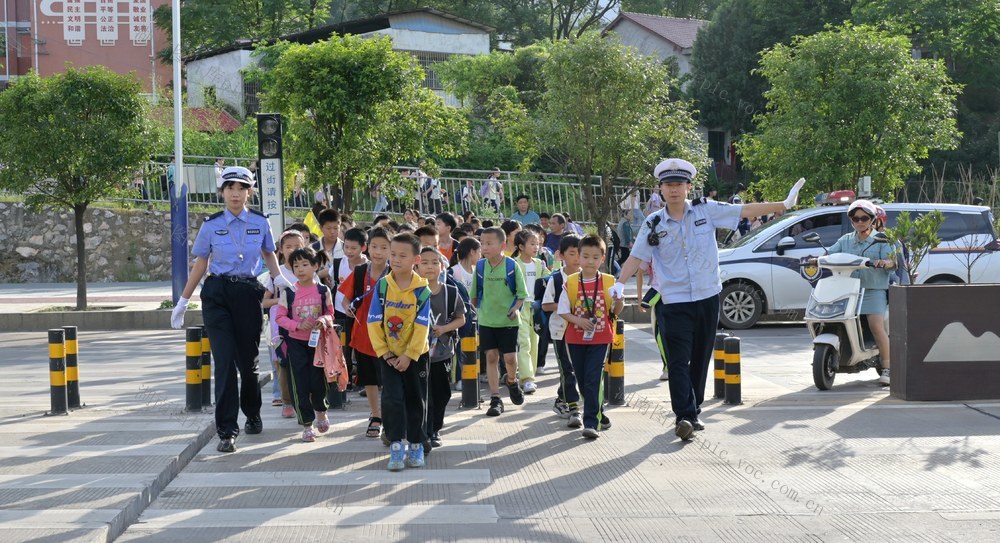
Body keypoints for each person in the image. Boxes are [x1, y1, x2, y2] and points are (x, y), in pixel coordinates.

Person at [614, 158, 805, 441]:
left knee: (700, 357)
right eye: (669, 185)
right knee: (678, 361)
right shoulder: (653, 223)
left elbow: (745, 210)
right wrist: (619, 284)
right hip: (673, 300)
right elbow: (637, 256)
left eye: (679, 184)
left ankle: (694, 410)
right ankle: (684, 416)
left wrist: (783, 205)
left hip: (707, 295)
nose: (674, 189)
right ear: (661, 190)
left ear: (689, 186)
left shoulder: (707, 210)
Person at [171, 166, 283, 454]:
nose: (236, 193)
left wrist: (279, 280)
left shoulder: (260, 222)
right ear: (221, 192)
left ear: (249, 192)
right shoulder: (211, 224)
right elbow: (201, 263)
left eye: (242, 188)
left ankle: (253, 412)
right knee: (223, 363)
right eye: (230, 187)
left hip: (247, 294)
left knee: (247, 364)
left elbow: (269, 254)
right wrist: (184, 301)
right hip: (217, 294)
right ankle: (227, 431)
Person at [368, 233, 432, 471]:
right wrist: (385, 353)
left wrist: (409, 355)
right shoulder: (383, 286)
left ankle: (416, 444)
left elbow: (422, 326)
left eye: (402, 255)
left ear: (415, 259)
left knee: (416, 401)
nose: (395, 259)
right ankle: (396, 446)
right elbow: (374, 321)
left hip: (415, 357)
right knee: (392, 400)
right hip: (389, 357)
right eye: (392, 254)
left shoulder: (422, 291)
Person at [558, 234, 625, 438]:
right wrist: (578, 321)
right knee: (582, 378)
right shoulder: (570, 282)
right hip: (575, 337)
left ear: (602, 259)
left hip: (601, 337)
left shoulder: (609, 281)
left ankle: (590, 423)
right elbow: (563, 310)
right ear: (578, 256)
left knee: (593, 378)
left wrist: (619, 300)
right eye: (585, 256)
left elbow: (616, 310)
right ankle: (599, 412)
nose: (590, 261)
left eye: (595, 257)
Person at [827, 199, 897, 386]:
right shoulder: (845, 240)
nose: (859, 222)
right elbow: (830, 254)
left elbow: (892, 261)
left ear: (872, 219)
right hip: (848, 291)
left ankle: (888, 368)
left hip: (873, 291)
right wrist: (814, 259)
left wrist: (885, 262)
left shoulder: (882, 240)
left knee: (876, 326)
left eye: (864, 218)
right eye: (855, 218)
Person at [274, 247, 336, 442]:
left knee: (318, 380)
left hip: (318, 344)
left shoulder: (323, 290)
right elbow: (280, 317)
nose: (300, 269)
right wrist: (297, 325)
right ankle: (307, 424)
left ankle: (321, 411)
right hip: (296, 344)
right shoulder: (289, 292)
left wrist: (323, 321)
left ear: (315, 266)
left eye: (305, 264)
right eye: (296, 266)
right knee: (299, 384)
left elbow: (331, 313)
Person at [339, 227, 391, 440]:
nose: (378, 252)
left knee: (389, 378)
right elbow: (344, 299)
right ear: (367, 248)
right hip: (363, 334)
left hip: (390, 335)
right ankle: (375, 415)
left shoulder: (395, 273)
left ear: (391, 250)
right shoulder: (360, 272)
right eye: (374, 247)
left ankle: (390, 415)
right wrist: (348, 307)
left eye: (384, 248)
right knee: (369, 378)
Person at [471, 227, 528, 417]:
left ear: (502, 245)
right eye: (482, 243)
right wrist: (479, 312)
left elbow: (522, 295)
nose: (484, 247)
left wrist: (514, 308)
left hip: (509, 322)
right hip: (487, 321)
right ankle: (495, 398)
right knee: (491, 357)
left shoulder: (512, 266)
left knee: (510, 359)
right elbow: (474, 296)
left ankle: (512, 381)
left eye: (489, 243)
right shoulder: (479, 267)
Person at [418, 247, 466, 448]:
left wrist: (444, 328)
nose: (430, 267)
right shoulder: (412, 291)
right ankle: (425, 431)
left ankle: (436, 427)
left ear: (442, 266)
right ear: (417, 265)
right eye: (425, 262)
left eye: (434, 262)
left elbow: (461, 319)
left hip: (443, 352)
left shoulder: (451, 292)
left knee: (442, 393)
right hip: (418, 353)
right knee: (423, 394)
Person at [263, 230, 306, 418]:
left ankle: (305, 400)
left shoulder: (308, 269)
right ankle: (286, 401)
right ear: (280, 250)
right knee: (283, 363)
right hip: (280, 326)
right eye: (288, 247)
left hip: (305, 324)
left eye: (297, 246)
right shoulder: (276, 273)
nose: (293, 250)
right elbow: (264, 302)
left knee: (306, 362)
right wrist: (282, 299)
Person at [541, 234, 581, 420]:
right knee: (567, 368)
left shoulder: (588, 277)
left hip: (582, 330)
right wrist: (566, 306)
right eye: (572, 253)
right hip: (561, 330)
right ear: (561, 255)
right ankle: (573, 407)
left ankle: (560, 398)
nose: (577, 257)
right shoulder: (556, 279)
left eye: (580, 253)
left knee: (576, 369)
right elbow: (546, 305)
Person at [512, 230, 548, 394]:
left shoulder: (540, 264)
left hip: (536, 307)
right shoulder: (513, 263)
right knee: (524, 341)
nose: (536, 247)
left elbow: (548, 278)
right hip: (520, 307)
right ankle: (527, 378)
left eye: (537, 244)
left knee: (535, 342)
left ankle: (529, 375)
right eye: (532, 244)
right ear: (521, 246)